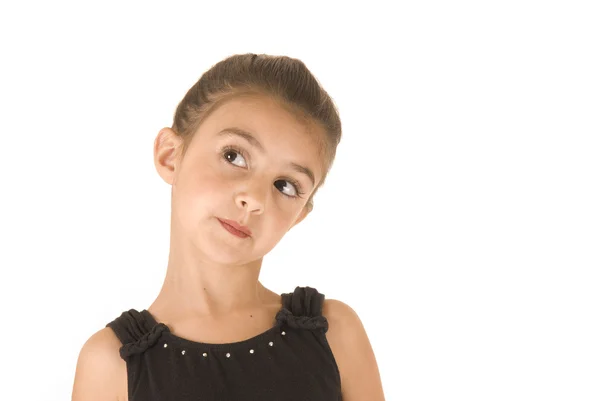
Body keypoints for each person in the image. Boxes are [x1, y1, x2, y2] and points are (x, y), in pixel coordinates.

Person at [71, 53, 385, 401]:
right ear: (170, 155)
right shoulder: (111, 364)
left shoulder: (335, 334)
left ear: (298, 216)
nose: (254, 198)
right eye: (234, 156)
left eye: (286, 185)